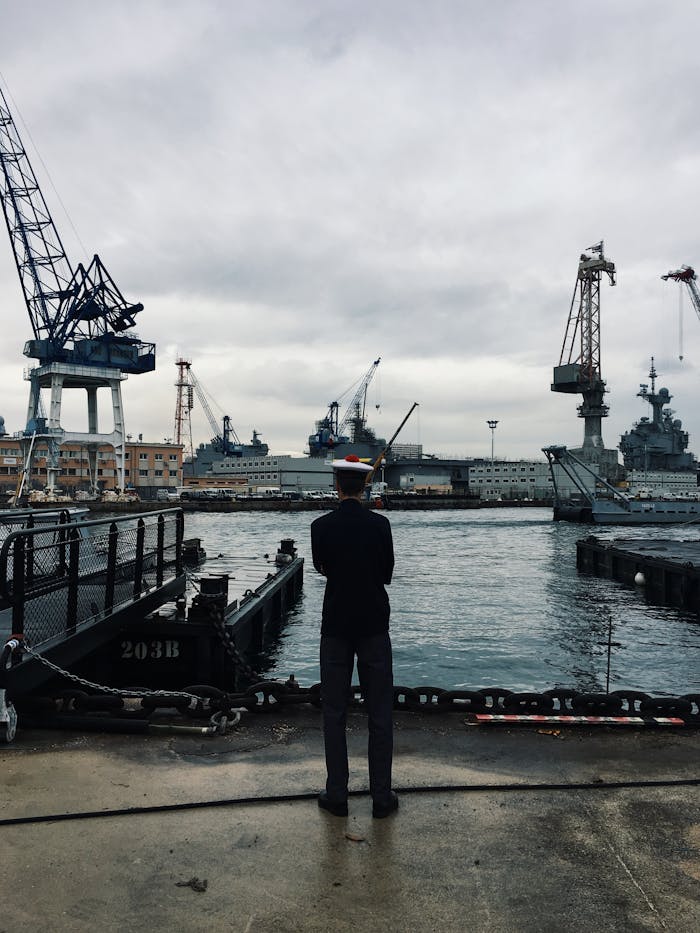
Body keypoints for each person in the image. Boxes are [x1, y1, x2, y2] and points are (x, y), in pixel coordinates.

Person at [310, 454, 398, 819]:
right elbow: (387, 573)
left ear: (336, 486)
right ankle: (381, 797)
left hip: (336, 626)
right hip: (374, 624)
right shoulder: (381, 525)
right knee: (379, 711)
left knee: (334, 712)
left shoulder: (320, 526)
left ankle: (337, 795)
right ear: (364, 487)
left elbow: (322, 568)